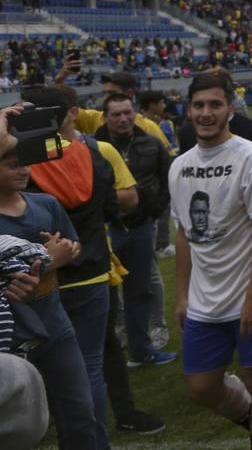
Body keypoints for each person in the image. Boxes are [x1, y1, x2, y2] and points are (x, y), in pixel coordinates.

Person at [170, 71, 252, 450]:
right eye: (198, 105)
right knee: (200, 387)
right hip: (204, 302)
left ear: (230, 107)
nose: (206, 113)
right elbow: (183, 236)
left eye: (215, 104)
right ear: (189, 110)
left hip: (247, 298)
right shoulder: (179, 166)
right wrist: (182, 296)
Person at [0, 103, 104, 449]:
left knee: (79, 413)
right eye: (11, 163)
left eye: (25, 162)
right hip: (10, 339)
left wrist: (61, 256)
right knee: (21, 428)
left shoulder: (46, 204)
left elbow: (71, 248)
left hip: (55, 327)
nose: (22, 169)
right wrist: (48, 258)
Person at [95, 93, 171, 368]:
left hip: (141, 228)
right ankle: (109, 357)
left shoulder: (152, 143)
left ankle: (142, 350)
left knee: (140, 291)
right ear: (105, 117)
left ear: (135, 112)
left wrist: (152, 211)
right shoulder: (92, 148)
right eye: (116, 114)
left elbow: (166, 179)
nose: (123, 118)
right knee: (105, 298)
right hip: (106, 229)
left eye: (127, 112)